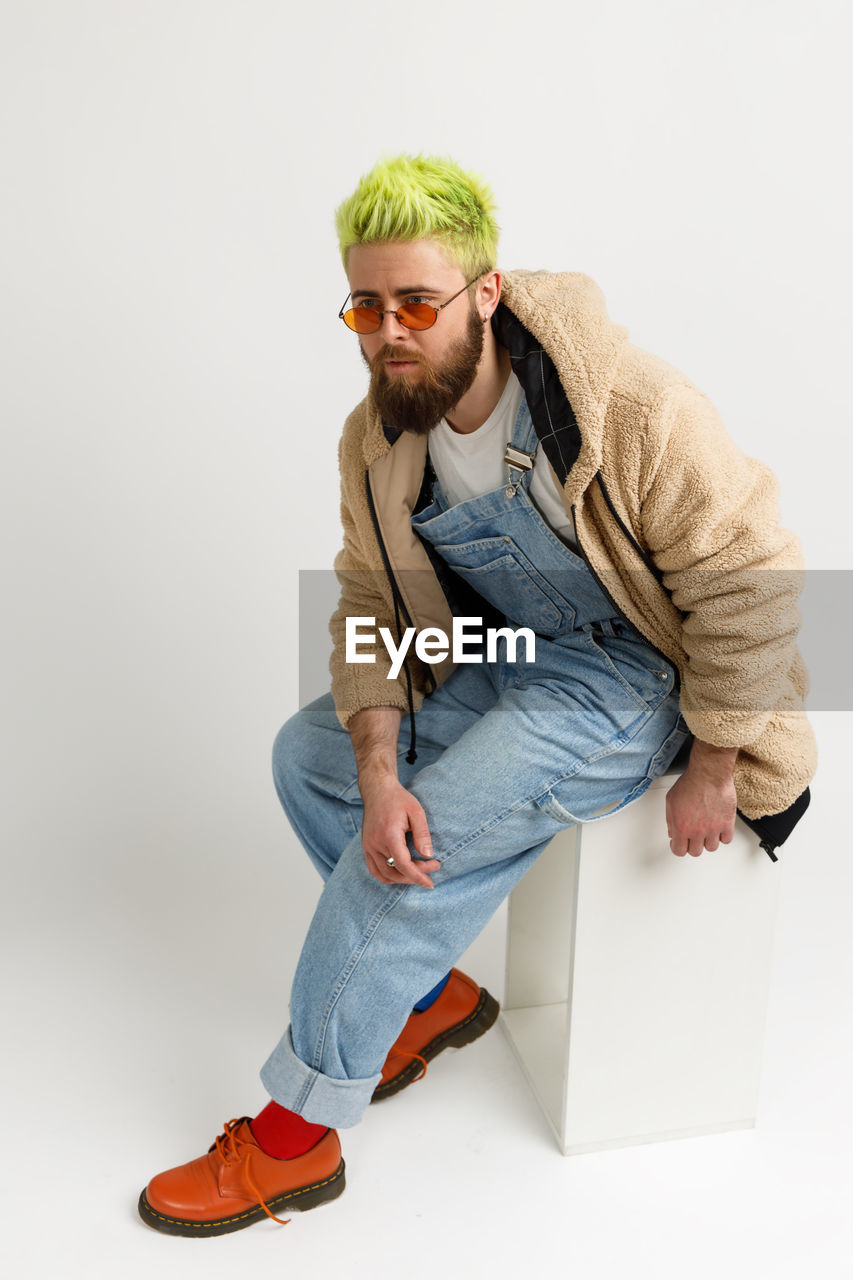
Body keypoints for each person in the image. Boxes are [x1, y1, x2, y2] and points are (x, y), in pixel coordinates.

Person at [139, 154, 816, 1236]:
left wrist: (718, 757)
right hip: (505, 653)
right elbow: (366, 597)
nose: (390, 330)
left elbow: (756, 576)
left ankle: (293, 1137)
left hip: (637, 678)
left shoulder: (630, 404)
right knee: (305, 758)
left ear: (485, 292)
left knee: (408, 861)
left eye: (418, 300)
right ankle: (430, 997)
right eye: (367, 304)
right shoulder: (379, 436)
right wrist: (373, 763)